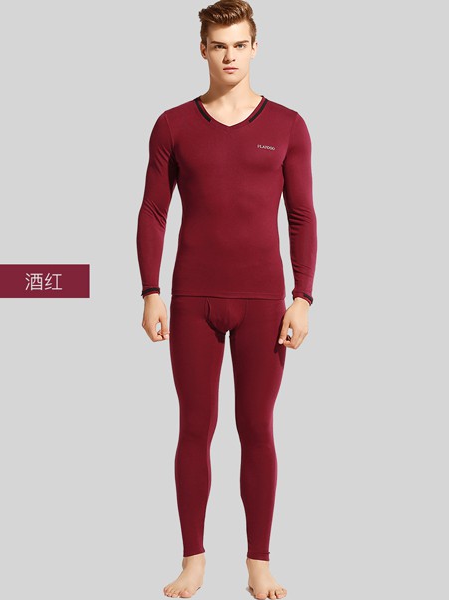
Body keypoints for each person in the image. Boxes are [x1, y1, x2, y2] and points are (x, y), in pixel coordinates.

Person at [136, 1, 317, 598]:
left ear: (255, 47)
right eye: (219, 46)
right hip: (192, 299)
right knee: (195, 427)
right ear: (203, 50)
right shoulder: (173, 124)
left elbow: (302, 216)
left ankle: (258, 563)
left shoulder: (288, 125)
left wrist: (303, 296)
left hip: (264, 300)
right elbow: (153, 212)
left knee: (257, 428)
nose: (230, 56)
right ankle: (193, 560)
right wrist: (151, 291)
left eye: (240, 45)